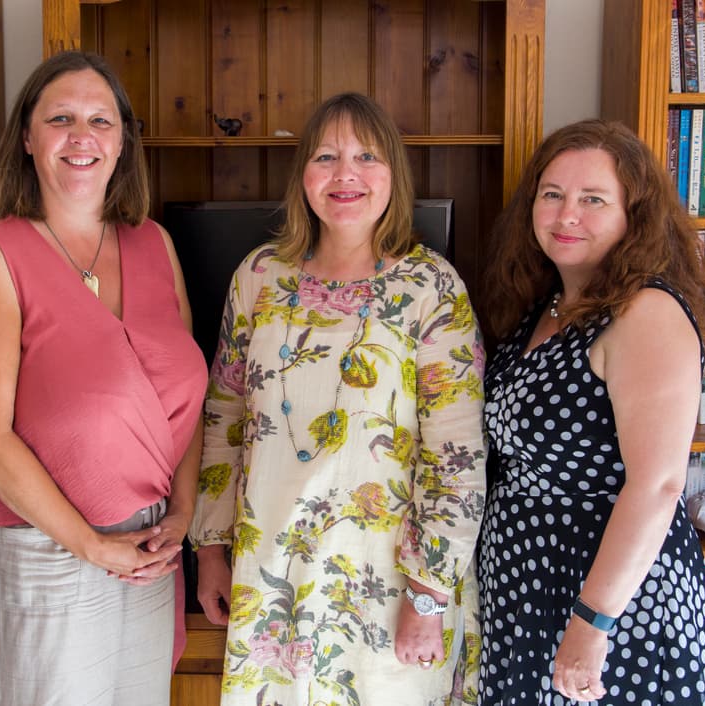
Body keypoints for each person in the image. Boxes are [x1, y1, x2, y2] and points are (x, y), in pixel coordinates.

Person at [190, 92, 487, 705]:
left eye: (366, 157)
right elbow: (223, 417)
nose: (345, 174)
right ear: (303, 175)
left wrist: (428, 596)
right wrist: (211, 551)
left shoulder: (430, 286)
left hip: (390, 590)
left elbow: (456, 455)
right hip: (273, 578)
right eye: (326, 156)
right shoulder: (258, 277)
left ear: (393, 176)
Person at [0, 50, 207, 705]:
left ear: (123, 141)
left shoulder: (154, 243)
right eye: (60, 118)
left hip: (148, 548)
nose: (82, 135)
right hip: (36, 545)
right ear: (27, 140)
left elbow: (187, 403)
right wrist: (91, 546)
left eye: (101, 119)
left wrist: (182, 510)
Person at [478, 118, 705, 705]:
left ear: (633, 216)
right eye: (553, 195)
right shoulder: (544, 309)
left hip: (615, 607)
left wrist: (594, 621)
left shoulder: (647, 312)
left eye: (593, 199)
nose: (567, 215)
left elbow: (658, 485)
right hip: (526, 590)